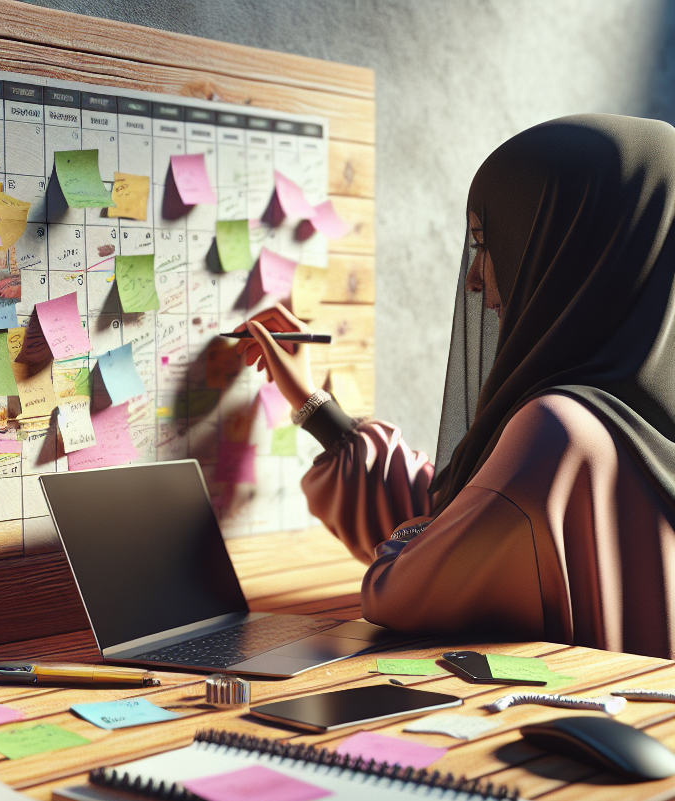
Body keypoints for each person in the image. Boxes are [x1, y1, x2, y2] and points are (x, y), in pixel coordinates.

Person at [239, 113, 675, 658]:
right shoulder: (629, 414)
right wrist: (316, 408)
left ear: (563, 250)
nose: (474, 277)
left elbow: (399, 589)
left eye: (487, 241)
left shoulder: (560, 434)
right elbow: (471, 519)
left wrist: (406, 545)